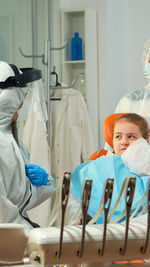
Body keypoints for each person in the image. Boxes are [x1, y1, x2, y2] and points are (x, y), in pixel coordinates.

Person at [0, 61, 56, 229]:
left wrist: (45, 182)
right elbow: (4, 214)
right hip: (10, 239)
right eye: (22, 96)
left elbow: (21, 197)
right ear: (9, 100)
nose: (25, 102)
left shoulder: (13, 140)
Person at [70, 113, 150, 224]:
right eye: (118, 136)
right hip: (102, 226)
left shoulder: (145, 162)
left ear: (144, 141)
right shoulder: (100, 164)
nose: (124, 142)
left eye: (131, 137)